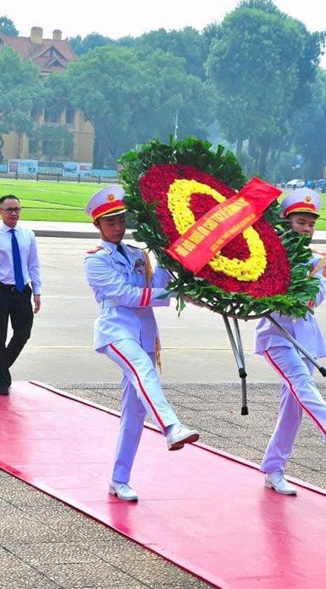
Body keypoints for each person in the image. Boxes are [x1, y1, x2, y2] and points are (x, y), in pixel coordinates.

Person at [83, 185, 199, 501]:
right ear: (98, 226)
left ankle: (119, 479)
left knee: (133, 413)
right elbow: (127, 296)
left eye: (121, 220)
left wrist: (166, 257)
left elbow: (156, 284)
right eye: (110, 222)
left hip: (144, 333)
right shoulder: (95, 260)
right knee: (144, 371)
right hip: (116, 331)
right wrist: (172, 295)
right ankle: (171, 427)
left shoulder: (137, 254)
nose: (118, 227)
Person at [256, 188, 326, 497]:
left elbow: (313, 298)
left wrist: (291, 281)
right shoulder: (265, 255)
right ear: (286, 221)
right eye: (300, 222)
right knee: (301, 382)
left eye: (310, 223)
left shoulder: (318, 261)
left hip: (306, 341)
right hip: (275, 336)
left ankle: (274, 468)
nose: (306, 228)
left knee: (293, 407)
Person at [0, 194, 42, 395]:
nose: (14, 213)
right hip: (0, 290)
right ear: (0, 212)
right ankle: (2, 381)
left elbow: (33, 263)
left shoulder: (28, 235)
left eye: (17, 209)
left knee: (23, 332)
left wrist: (37, 291)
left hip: (22, 290)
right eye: (9, 210)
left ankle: (2, 366)